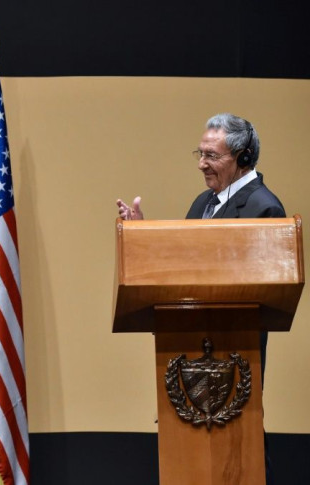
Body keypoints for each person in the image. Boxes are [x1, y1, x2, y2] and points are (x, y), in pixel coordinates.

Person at [116, 112, 284, 484]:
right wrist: (143, 237)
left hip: (232, 356)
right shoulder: (203, 202)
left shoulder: (264, 209)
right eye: (200, 153)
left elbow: (253, 289)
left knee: (243, 449)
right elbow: (187, 267)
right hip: (190, 346)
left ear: (242, 158)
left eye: (211, 155)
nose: (201, 164)